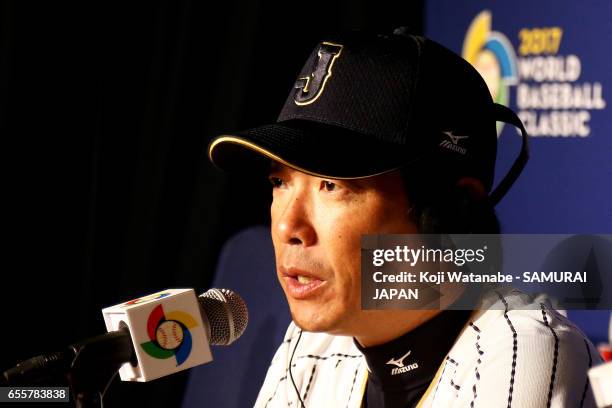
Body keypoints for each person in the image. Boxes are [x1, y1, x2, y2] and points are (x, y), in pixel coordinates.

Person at [207, 28, 602, 407]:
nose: (286, 227)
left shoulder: (523, 347)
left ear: (448, 218)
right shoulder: (312, 343)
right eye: (280, 182)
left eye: (331, 185)